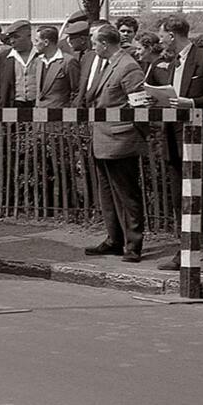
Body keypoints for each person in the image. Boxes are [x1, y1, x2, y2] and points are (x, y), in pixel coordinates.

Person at [149, 15, 203, 274]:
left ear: (172, 34)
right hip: (173, 139)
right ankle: (185, 253)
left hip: (199, 140)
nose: (160, 40)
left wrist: (191, 104)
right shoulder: (170, 64)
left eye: (162, 35)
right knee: (179, 201)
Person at [81, 25, 148, 262]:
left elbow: (139, 106)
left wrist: (131, 132)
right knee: (108, 194)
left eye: (95, 43)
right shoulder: (110, 64)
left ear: (105, 44)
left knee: (126, 194)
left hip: (120, 140)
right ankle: (114, 240)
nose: (93, 47)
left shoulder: (128, 67)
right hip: (102, 139)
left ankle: (133, 244)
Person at [0, 19, 39, 107]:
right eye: (10, 38)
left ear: (29, 36)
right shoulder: (4, 57)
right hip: (13, 105)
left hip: (37, 105)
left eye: (16, 37)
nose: (12, 41)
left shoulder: (40, 55)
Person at [34, 25, 79, 107]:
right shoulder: (38, 61)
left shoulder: (68, 61)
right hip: (39, 114)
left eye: (37, 41)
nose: (35, 44)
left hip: (59, 114)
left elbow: (76, 91)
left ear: (46, 42)